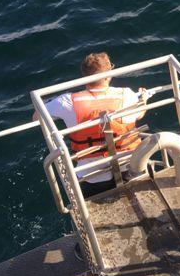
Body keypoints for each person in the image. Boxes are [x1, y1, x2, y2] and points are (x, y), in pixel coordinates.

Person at [33, 52, 148, 197]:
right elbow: (139, 115)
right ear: (108, 75)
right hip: (128, 162)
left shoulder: (67, 101)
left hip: (92, 173)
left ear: (84, 77)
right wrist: (143, 100)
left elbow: (36, 117)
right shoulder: (127, 95)